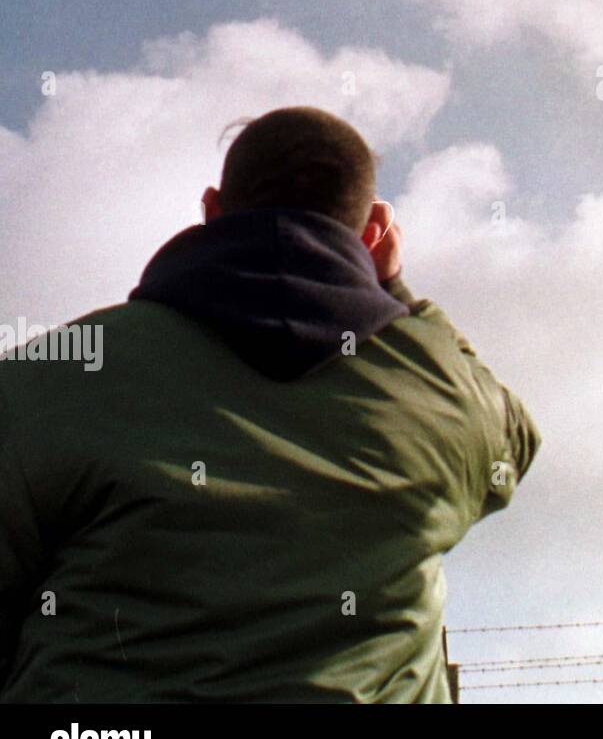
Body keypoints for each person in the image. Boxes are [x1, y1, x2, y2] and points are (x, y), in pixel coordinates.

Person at [0, 106, 539, 702]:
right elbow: (513, 441)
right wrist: (396, 293)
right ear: (368, 235)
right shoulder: (446, 396)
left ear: (210, 211)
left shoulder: (53, 373)